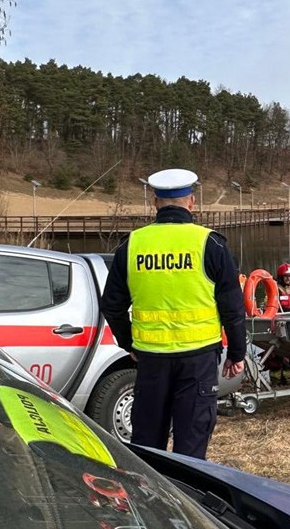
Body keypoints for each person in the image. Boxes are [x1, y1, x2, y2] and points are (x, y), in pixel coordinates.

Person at [99, 168, 246, 460]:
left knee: (147, 447)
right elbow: (233, 307)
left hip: (151, 360)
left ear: (155, 203)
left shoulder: (133, 245)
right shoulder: (211, 244)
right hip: (198, 360)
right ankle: (188, 500)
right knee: (191, 448)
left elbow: (112, 305)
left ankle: (151, 501)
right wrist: (237, 353)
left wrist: (129, 344)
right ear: (191, 202)